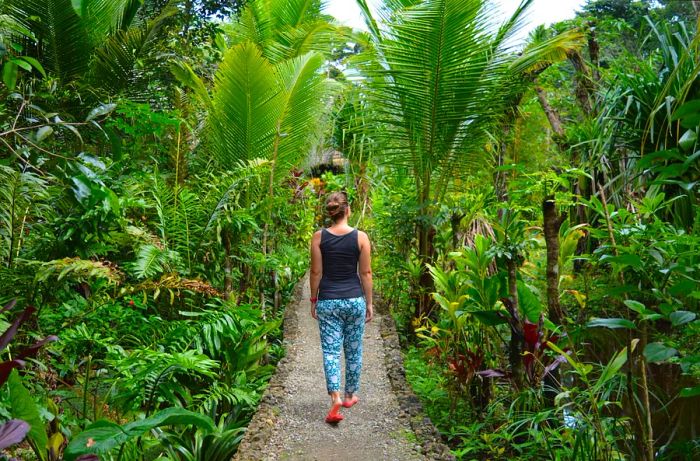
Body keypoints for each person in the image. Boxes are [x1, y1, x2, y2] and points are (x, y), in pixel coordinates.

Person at [309, 191, 373, 424]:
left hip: (328, 300)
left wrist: (314, 300)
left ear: (331, 212)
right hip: (354, 300)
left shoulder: (319, 237)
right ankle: (348, 396)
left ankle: (334, 397)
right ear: (348, 210)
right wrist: (369, 303)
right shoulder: (361, 237)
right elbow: (365, 272)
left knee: (331, 351)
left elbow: (316, 272)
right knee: (354, 350)